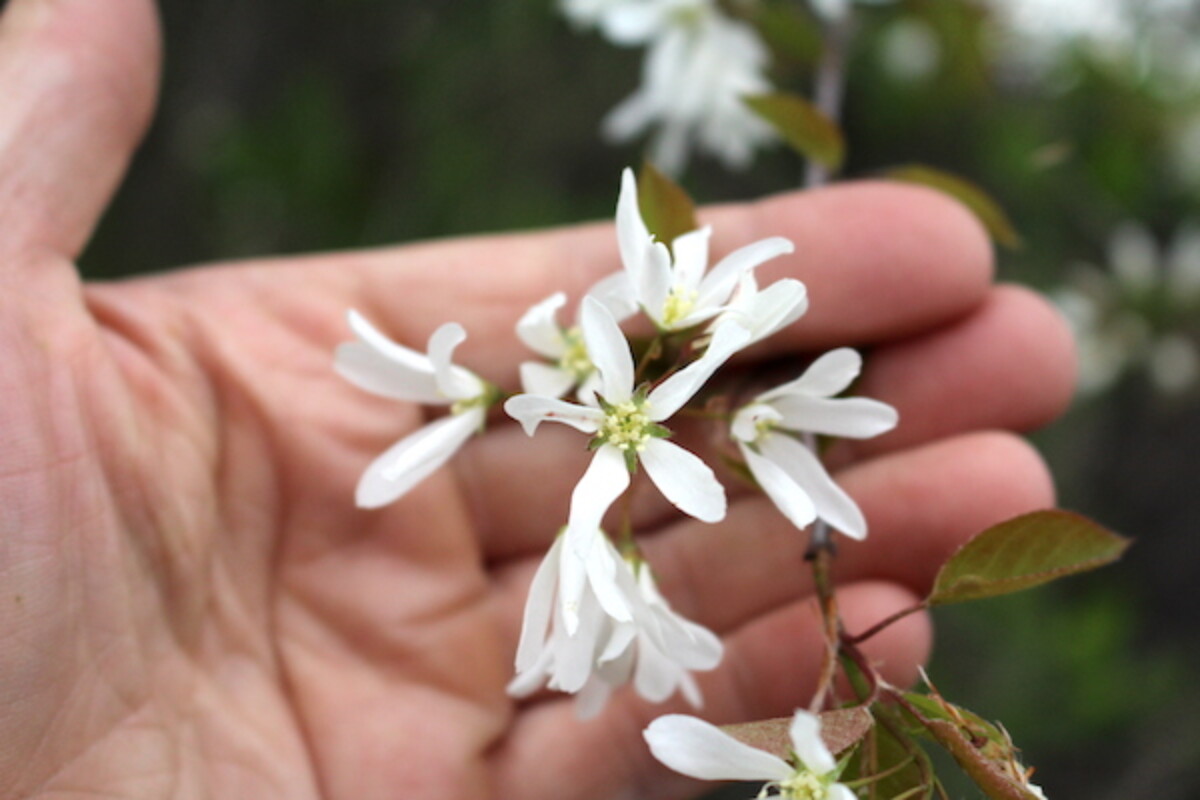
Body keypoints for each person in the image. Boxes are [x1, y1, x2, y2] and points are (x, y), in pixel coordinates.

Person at [0, 0, 1076, 798]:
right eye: (620, 415)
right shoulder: (622, 423)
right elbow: (625, 425)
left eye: (625, 415)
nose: (622, 422)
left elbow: (646, 421)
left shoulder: (643, 420)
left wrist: (657, 401)